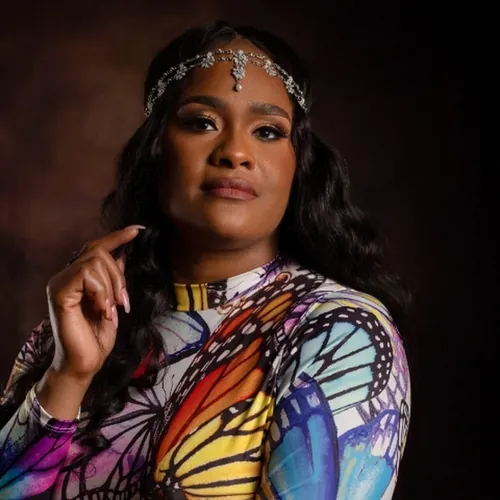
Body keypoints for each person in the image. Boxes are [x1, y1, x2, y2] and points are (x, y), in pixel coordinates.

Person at [0, 20, 411, 500]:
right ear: (157, 151)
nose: (235, 152)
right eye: (202, 122)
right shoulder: (84, 321)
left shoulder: (337, 331)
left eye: (267, 131)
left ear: (298, 163)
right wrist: (68, 376)